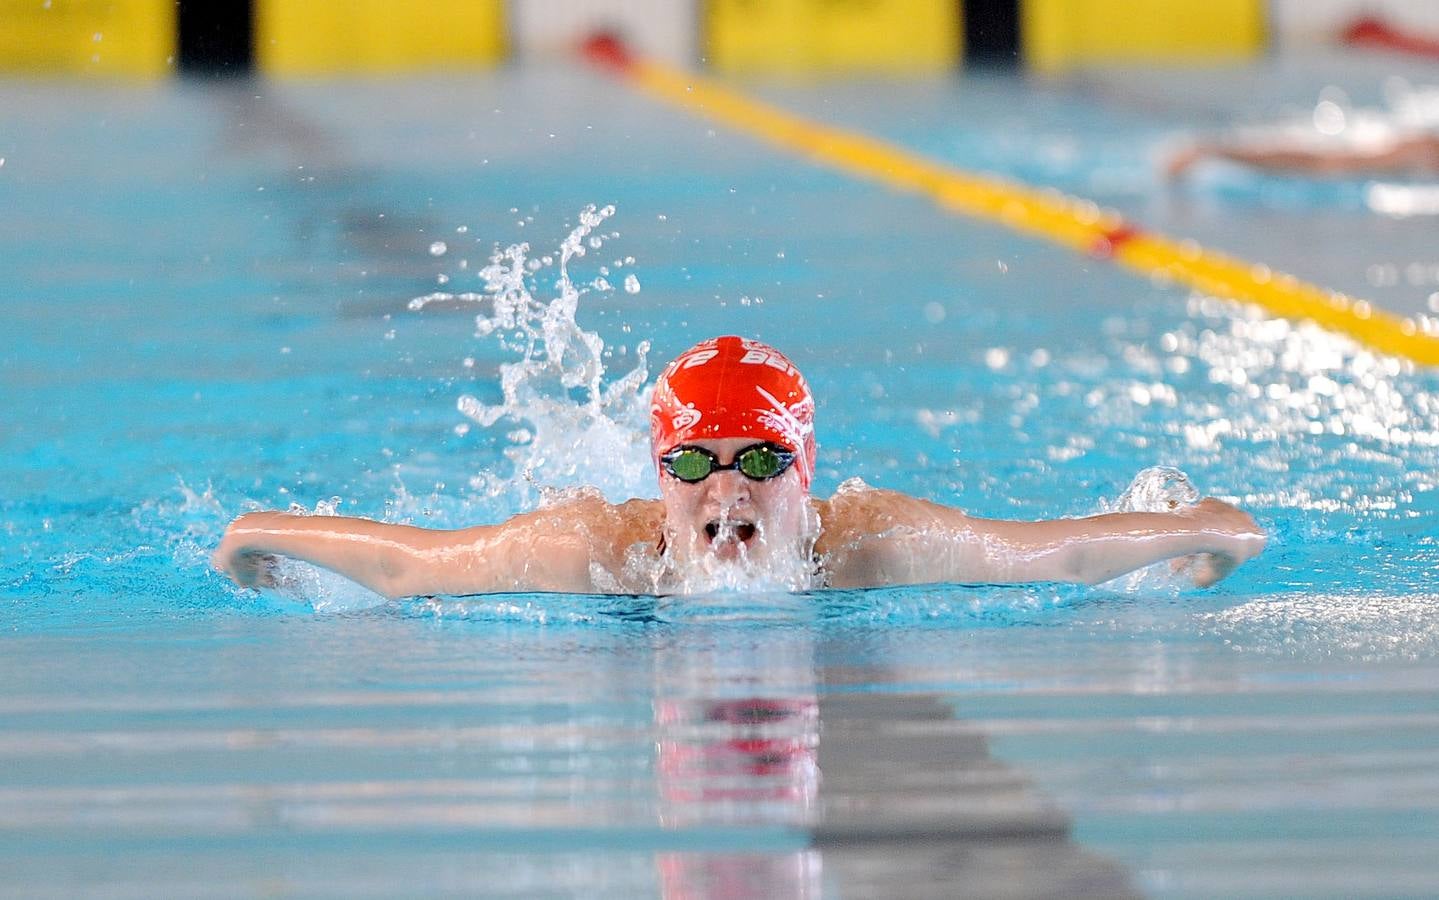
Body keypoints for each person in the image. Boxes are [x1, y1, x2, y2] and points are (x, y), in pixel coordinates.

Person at [212, 336, 1265, 597]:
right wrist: (258, 530)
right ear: (658, 475)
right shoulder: (594, 548)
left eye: (761, 457)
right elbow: (412, 566)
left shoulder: (870, 541)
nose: (725, 490)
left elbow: (1055, 556)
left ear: (804, 472)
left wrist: (1205, 528)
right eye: (693, 463)